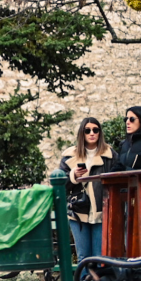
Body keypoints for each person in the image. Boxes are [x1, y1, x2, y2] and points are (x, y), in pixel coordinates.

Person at [59, 117, 116, 281]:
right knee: (83, 257)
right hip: (78, 213)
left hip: (102, 213)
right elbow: (59, 184)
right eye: (88, 130)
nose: (92, 133)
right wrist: (73, 176)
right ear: (82, 133)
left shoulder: (110, 155)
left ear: (100, 133)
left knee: (100, 257)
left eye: (95, 130)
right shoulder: (69, 156)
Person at [113, 106, 141, 171]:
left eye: (132, 119)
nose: (127, 122)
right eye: (126, 119)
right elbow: (118, 166)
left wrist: (125, 170)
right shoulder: (124, 144)